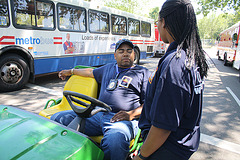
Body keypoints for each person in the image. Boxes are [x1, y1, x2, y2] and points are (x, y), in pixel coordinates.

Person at [133, 0, 209, 160]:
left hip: (165, 148)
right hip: (180, 145)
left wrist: (141, 156)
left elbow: (163, 127)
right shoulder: (190, 57)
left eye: (157, 22)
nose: (158, 27)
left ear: (164, 22)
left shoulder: (175, 63)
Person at [51, 39, 150, 160]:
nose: (125, 54)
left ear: (134, 54)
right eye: (121, 51)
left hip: (122, 119)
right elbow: (89, 72)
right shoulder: (108, 68)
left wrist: (130, 114)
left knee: (115, 141)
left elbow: (149, 104)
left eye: (129, 51)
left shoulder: (142, 73)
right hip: (97, 114)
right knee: (56, 119)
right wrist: (70, 71)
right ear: (115, 55)